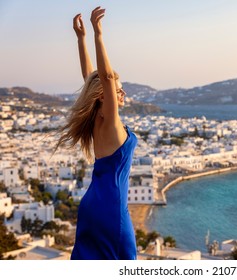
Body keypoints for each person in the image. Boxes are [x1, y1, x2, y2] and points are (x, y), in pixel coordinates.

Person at [54, 7, 138, 260]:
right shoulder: (111, 121)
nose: (121, 93)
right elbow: (104, 77)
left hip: (93, 204)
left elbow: (90, 78)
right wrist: (98, 34)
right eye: (117, 90)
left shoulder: (95, 121)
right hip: (111, 208)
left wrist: (81, 40)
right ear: (105, 95)